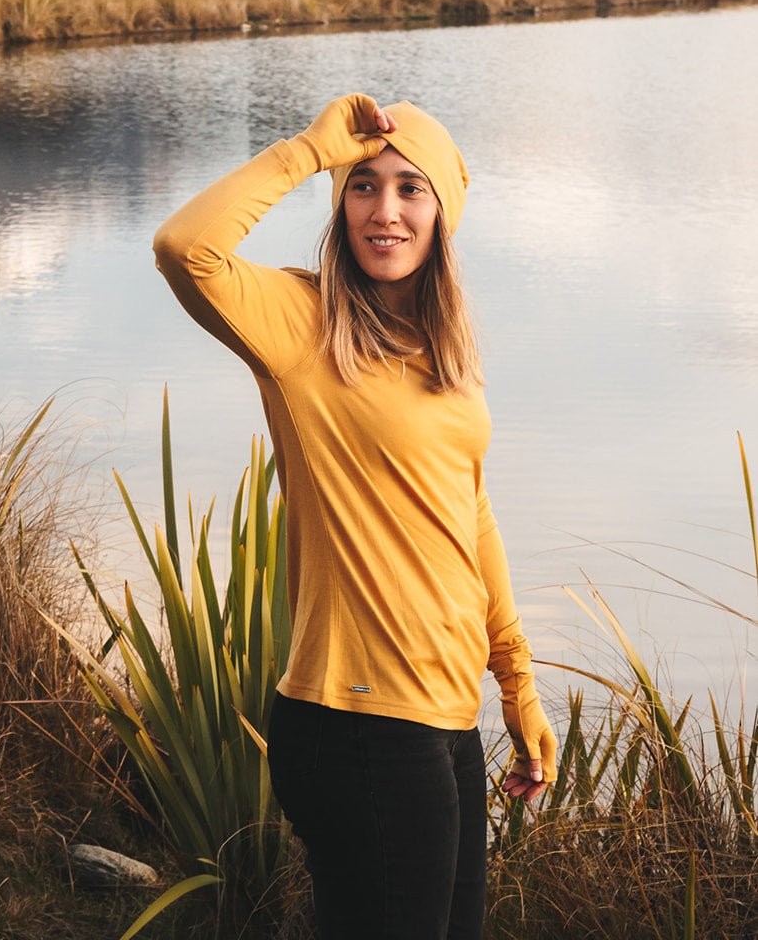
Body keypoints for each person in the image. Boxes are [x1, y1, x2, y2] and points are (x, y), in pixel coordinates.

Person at [152, 92, 557, 940]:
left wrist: (515, 688)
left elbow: (468, 518)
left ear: (443, 211)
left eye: (411, 189)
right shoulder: (302, 323)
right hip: (355, 722)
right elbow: (185, 248)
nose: (385, 211)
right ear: (338, 205)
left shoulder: (447, 352)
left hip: (444, 717)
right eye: (363, 186)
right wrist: (308, 150)